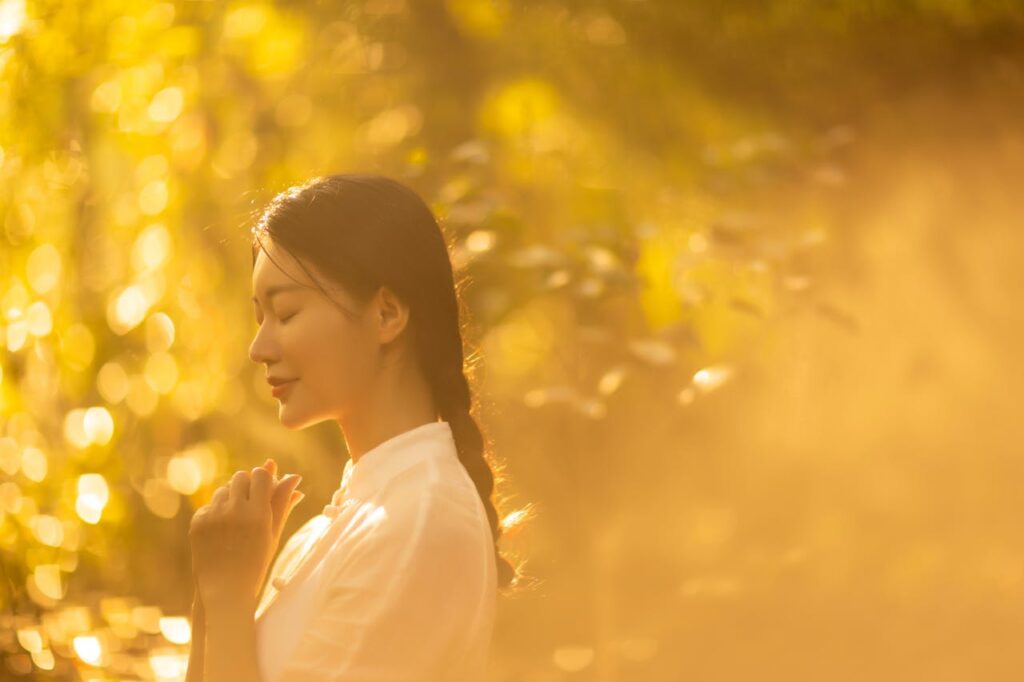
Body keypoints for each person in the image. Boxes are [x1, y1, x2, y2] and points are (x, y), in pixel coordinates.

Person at [186, 174, 523, 682]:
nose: (259, 348)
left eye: (286, 312)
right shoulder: (329, 529)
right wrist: (213, 601)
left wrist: (231, 599)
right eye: (259, 318)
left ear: (386, 314)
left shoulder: (421, 522)